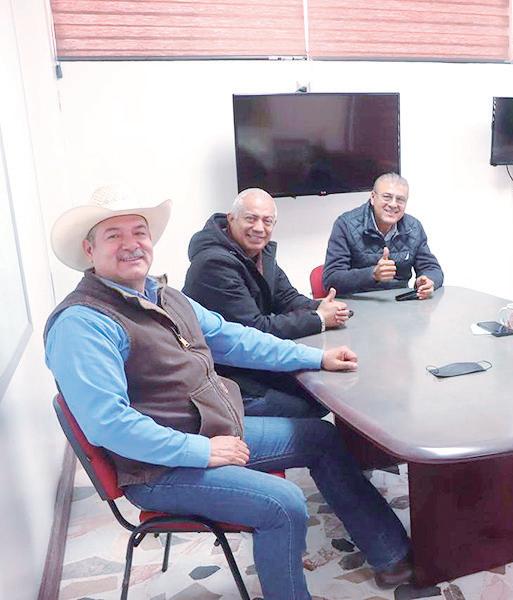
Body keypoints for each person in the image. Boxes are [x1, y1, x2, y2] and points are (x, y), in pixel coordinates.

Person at [44, 186, 413, 599]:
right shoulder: (83, 323)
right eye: (114, 235)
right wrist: (202, 451)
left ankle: (393, 555)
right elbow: (108, 424)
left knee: (321, 438)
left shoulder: (163, 296)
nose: (131, 244)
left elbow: (234, 338)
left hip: (209, 429)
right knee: (284, 503)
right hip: (157, 468)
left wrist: (315, 358)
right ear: (89, 250)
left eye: (139, 232)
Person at [183, 188, 349, 418]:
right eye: (251, 219)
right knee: (311, 404)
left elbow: (286, 297)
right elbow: (256, 328)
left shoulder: (259, 253)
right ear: (231, 219)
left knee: (322, 394)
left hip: (254, 359)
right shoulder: (213, 264)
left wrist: (318, 307)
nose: (259, 228)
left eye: (267, 221)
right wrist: (319, 319)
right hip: (225, 374)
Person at [323, 172, 443, 297]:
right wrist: (372, 274)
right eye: (387, 197)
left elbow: (431, 268)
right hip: (358, 302)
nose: (393, 204)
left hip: (399, 302)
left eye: (400, 200)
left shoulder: (413, 227)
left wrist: (429, 280)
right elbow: (331, 279)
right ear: (373, 197)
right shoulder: (346, 225)